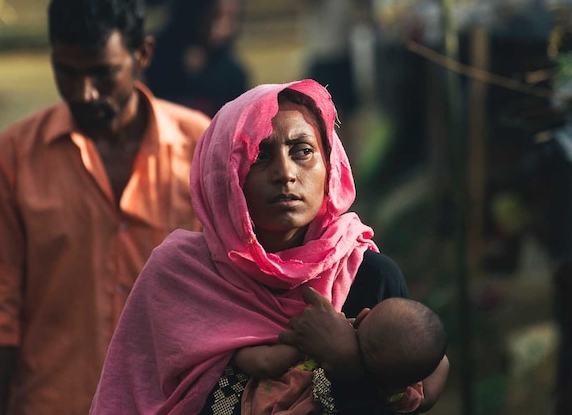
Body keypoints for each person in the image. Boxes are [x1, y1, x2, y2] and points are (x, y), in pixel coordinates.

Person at [90, 79, 449, 414]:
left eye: (303, 151)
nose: (285, 173)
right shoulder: (178, 277)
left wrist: (347, 363)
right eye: (259, 155)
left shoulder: (369, 277)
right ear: (224, 174)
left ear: (330, 164)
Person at [0, 0, 211, 415]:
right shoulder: (15, 155)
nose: (84, 93)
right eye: (66, 73)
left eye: (103, 74)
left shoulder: (202, 149)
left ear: (142, 54)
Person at [237, 292, 448, 414]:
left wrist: (233, 350)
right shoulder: (403, 397)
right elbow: (442, 364)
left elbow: (265, 363)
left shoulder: (322, 348)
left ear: (364, 317)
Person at [144, 0, 248, 118]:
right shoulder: (151, 59)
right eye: (214, 16)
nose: (221, 27)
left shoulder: (232, 75)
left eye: (230, 17)